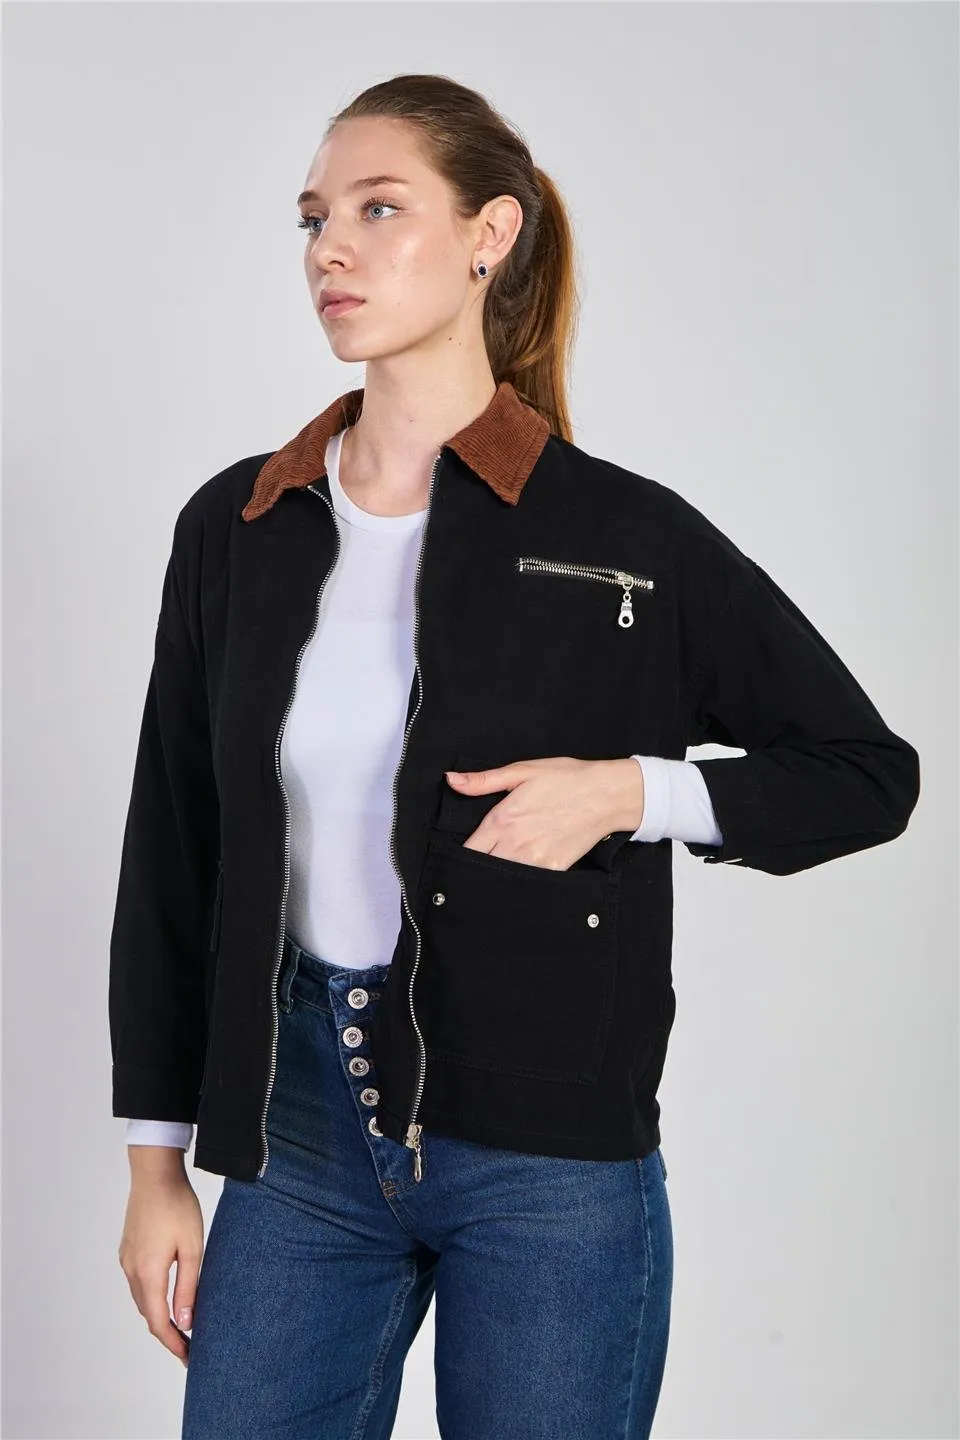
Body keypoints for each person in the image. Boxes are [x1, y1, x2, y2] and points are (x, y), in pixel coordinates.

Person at [111, 74, 921, 1440]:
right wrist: (156, 1169)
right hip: (300, 1133)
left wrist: (636, 792)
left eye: (379, 209)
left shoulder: (625, 539)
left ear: (491, 233)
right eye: (313, 218)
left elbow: (863, 770)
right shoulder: (240, 525)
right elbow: (173, 850)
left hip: (550, 1158)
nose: (331, 248)